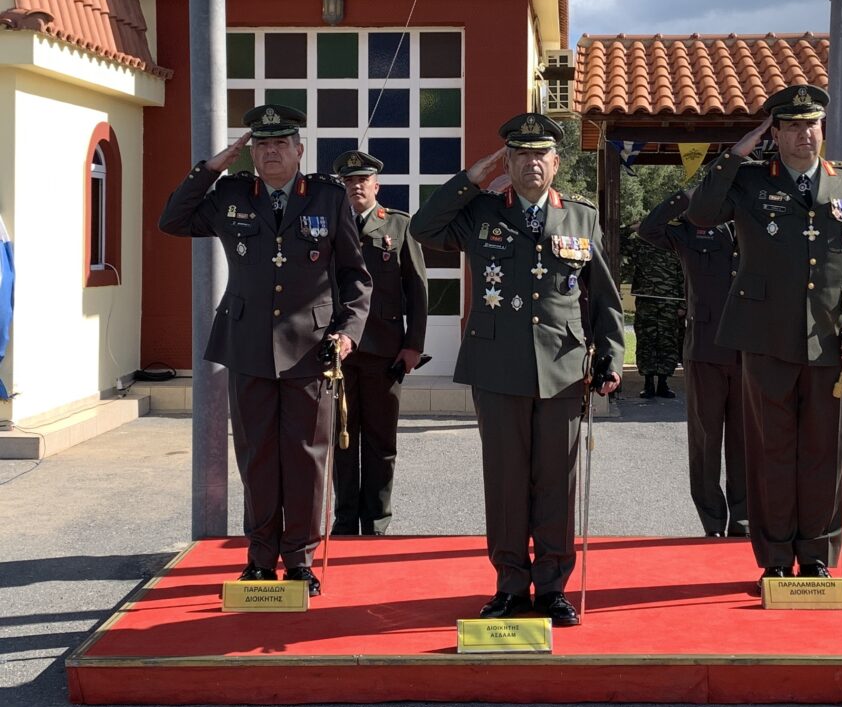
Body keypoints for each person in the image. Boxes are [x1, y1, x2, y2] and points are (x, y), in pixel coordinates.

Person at [410, 113, 624, 626]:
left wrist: (611, 357)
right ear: (507, 162)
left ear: (556, 162)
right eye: (521, 154)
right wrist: (473, 177)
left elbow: (603, 296)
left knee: (556, 483)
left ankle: (551, 587)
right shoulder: (480, 211)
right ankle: (509, 584)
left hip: (563, 368)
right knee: (506, 481)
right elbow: (422, 227)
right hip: (497, 366)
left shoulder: (580, 216)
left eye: (540, 154)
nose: (532, 163)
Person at [159, 105, 372, 595]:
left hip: (312, 348)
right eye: (262, 145)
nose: (271, 152)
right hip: (248, 345)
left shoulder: (328, 197)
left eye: (281, 144)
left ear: (299, 150)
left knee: (306, 458)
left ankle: (299, 560)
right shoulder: (231, 195)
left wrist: (348, 333)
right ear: (251, 154)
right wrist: (211, 167)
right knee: (256, 456)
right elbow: (173, 219)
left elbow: (355, 278)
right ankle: (259, 558)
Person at [687, 84, 842, 590]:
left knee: (823, 452)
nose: (803, 134)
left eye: (811, 125)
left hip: (830, 338)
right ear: (774, 134)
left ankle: (816, 554)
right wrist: (735, 154)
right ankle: (775, 557)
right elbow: (701, 213)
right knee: (770, 450)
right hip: (765, 336)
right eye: (792, 126)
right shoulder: (749, 181)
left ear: (822, 129)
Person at [330, 150, 428, 535]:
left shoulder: (399, 226)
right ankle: (344, 521)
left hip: (385, 352)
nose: (356, 186)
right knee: (342, 440)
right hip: (339, 352)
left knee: (381, 442)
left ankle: (376, 523)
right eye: (349, 181)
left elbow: (417, 290)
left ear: (376, 185)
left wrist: (413, 345)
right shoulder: (331, 225)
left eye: (362, 180)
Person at [639, 192, 746, 538]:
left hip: (749, 350)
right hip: (704, 350)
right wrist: (689, 197)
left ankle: (744, 520)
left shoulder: (757, 222)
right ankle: (712, 522)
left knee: (746, 441)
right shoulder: (691, 229)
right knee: (705, 441)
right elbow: (649, 229)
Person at [626, 223, 686, 398]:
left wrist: (683, 305)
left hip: (670, 303)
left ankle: (663, 383)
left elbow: (683, 276)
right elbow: (617, 242)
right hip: (647, 302)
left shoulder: (674, 246)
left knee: (668, 343)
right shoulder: (641, 245)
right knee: (646, 342)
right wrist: (632, 228)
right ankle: (648, 383)